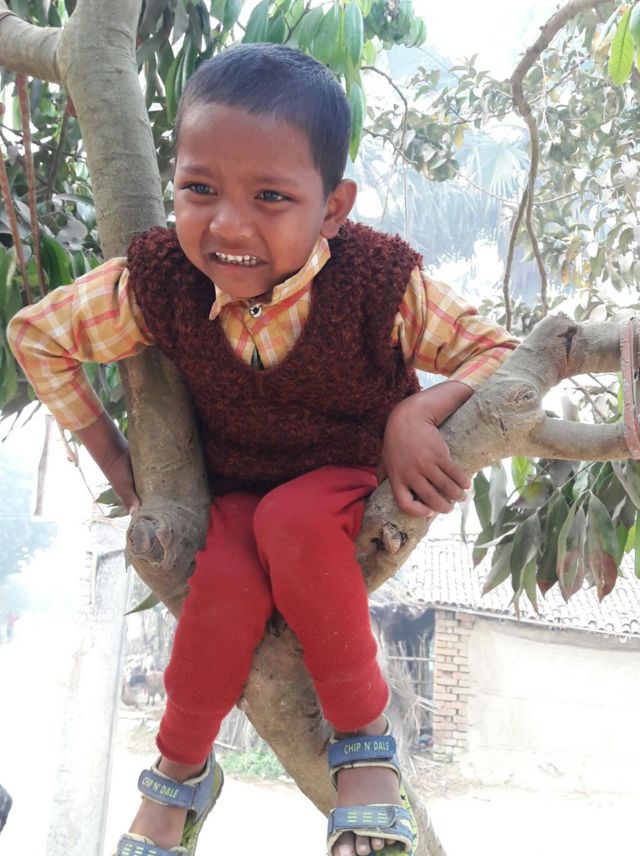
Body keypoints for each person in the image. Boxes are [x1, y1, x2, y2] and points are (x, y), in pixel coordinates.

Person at [8, 44, 518, 856]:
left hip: (342, 479)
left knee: (295, 520)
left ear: (333, 208)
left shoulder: (380, 283)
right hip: (238, 494)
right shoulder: (160, 279)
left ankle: (365, 748)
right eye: (199, 189)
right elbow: (37, 335)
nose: (228, 225)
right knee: (221, 584)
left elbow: (505, 357)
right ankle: (181, 772)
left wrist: (418, 409)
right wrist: (114, 460)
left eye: (271, 196)